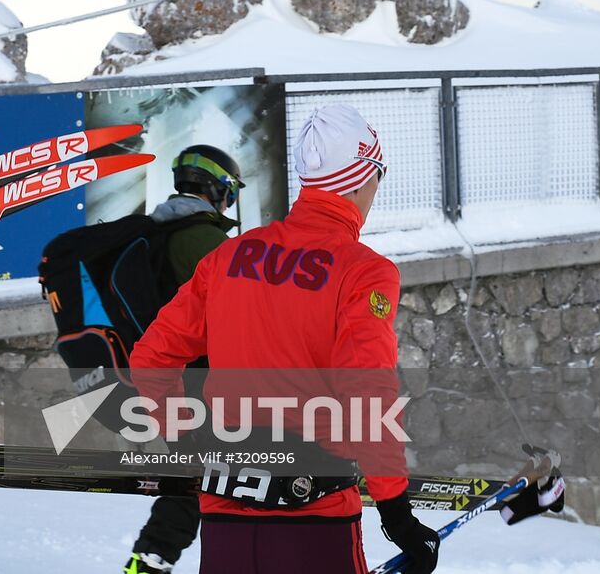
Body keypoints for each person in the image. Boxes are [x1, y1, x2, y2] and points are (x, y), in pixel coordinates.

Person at [130, 105, 440, 574]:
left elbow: (153, 357)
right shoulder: (363, 272)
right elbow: (366, 393)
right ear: (360, 178)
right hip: (314, 515)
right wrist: (396, 513)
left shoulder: (229, 256)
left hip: (223, 508)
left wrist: (185, 440)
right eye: (379, 173)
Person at [125, 145, 244, 574]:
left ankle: (151, 561)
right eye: (229, 193)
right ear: (217, 190)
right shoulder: (206, 241)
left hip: (167, 380)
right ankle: (151, 561)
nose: (229, 203)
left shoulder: (156, 231)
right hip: (204, 384)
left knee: (201, 482)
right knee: (215, 482)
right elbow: (239, 319)